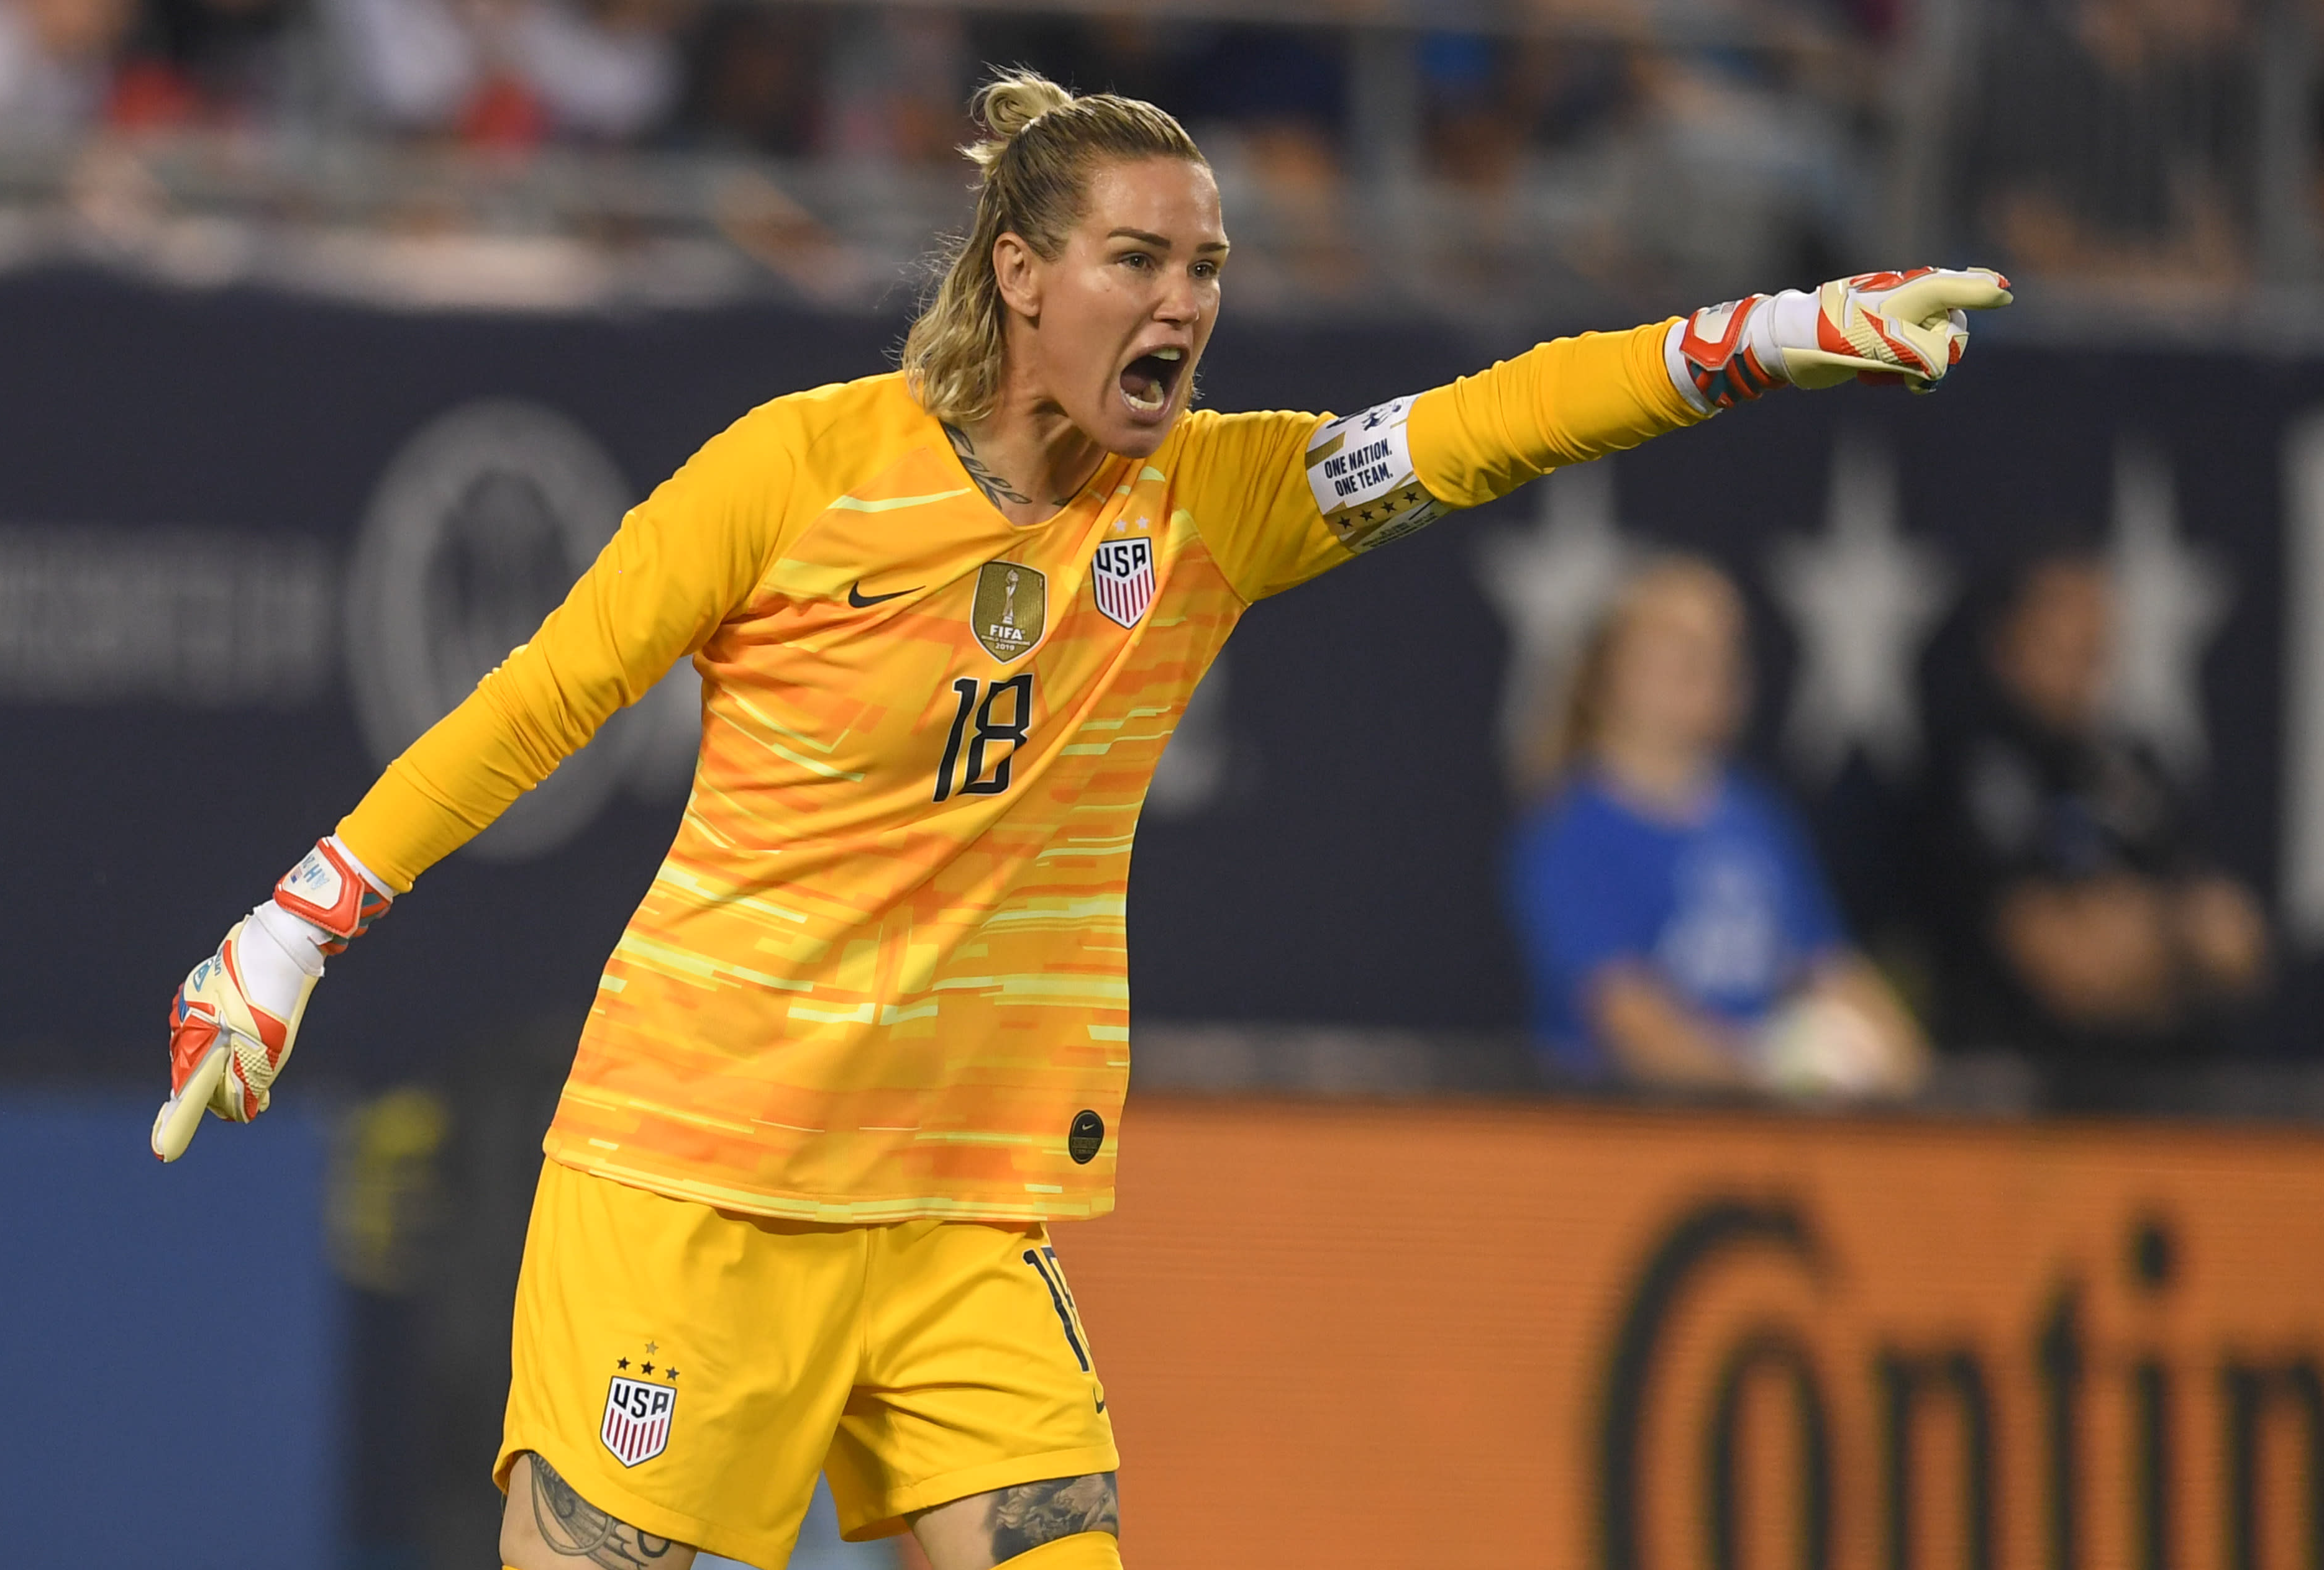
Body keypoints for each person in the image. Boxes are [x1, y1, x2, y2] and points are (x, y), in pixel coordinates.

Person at [153, 70, 2008, 1570]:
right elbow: (538, 696)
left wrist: (1765, 330)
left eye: (1206, 264)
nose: (1186, 302)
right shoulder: (794, 475)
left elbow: (1480, 425)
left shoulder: (1214, 501)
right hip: (693, 1174)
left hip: (958, 1200)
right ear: (1022, 275)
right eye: (1139, 258)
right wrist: (289, 928)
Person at [1506, 557, 1930, 1099]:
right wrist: (1779, 1070)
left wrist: (1901, 1066)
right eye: (1677, 650)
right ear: (1608, 672)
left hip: (1759, 1135)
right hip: (1619, 1135)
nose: (1706, 670)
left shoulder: (1757, 818)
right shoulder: (1568, 834)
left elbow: (1835, 972)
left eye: (1723, 651)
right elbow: (1636, 1029)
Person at [1920, 551, 2266, 1083]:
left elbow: (2235, 945)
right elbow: (2065, 963)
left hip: (2167, 1093)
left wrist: (2137, 931)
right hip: (2022, 1099)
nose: (2086, 656)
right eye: (2064, 635)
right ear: (2008, 641)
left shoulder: (2132, 765)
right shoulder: (1969, 766)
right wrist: (2174, 939)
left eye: (2097, 644)